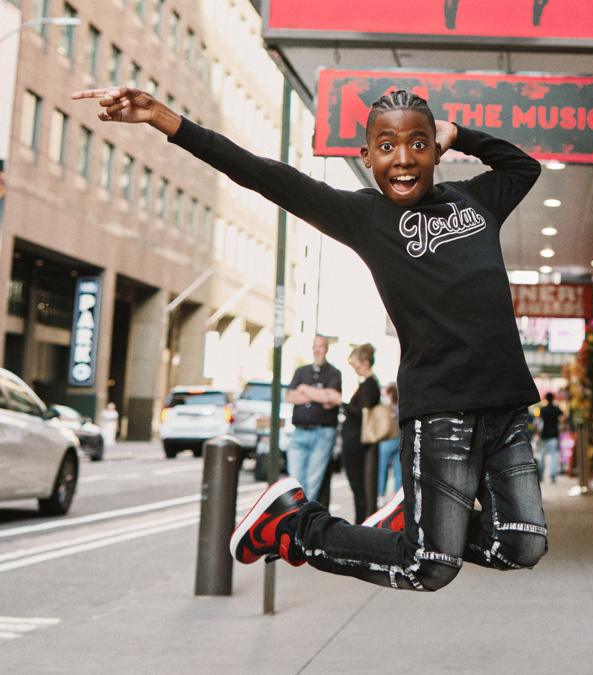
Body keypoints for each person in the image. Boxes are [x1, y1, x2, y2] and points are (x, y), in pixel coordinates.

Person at [73, 85, 548, 591]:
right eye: (386, 146)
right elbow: (264, 175)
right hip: (442, 412)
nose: (403, 159)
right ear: (366, 158)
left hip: (506, 408)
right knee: (426, 567)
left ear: (436, 149)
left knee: (521, 545)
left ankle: (415, 522)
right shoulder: (366, 216)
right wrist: (167, 120)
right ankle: (292, 524)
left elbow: (524, 168)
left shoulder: (478, 198)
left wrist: (462, 134)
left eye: (419, 144)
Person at [281, 335, 342, 502]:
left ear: (326, 349)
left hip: (322, 433)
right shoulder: (301, 371)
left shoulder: (333, 373)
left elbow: (333, 401)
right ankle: (298, 520)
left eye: (320, 346)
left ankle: (305, 522)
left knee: (312, 484)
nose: (317, 350)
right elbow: (290, 397)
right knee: (295, 483)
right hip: (299, 432)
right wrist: (320, 395)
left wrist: (304, 390)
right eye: (314, 346)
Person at [342, 343, 381, 524]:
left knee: (359, 486)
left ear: (365, 362)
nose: (354, 367)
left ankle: (361, 524)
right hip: (354, 438)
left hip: (356, 440)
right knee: (359, 486)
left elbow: (362, 412)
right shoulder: (368, 384)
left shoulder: (369, 384)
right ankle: (361, 522)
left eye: (356, 362)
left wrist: (341, 403)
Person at [377, 382, 402, 499]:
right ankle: (397, 497)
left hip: (387, 440)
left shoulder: (387, 408)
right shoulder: (401, 407)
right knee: (398, 471)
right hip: (400, 440)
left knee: (382, 468)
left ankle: (380, 494)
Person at [536, 392, 562, 483]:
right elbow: (561, 421)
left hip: (544, 435)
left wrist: (538, 435)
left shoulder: (543, 410)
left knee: (542, 456)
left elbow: (540, 424)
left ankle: (541, 475)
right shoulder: (556, 409)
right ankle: (552, 475)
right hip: (554, 435)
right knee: (553, 455)